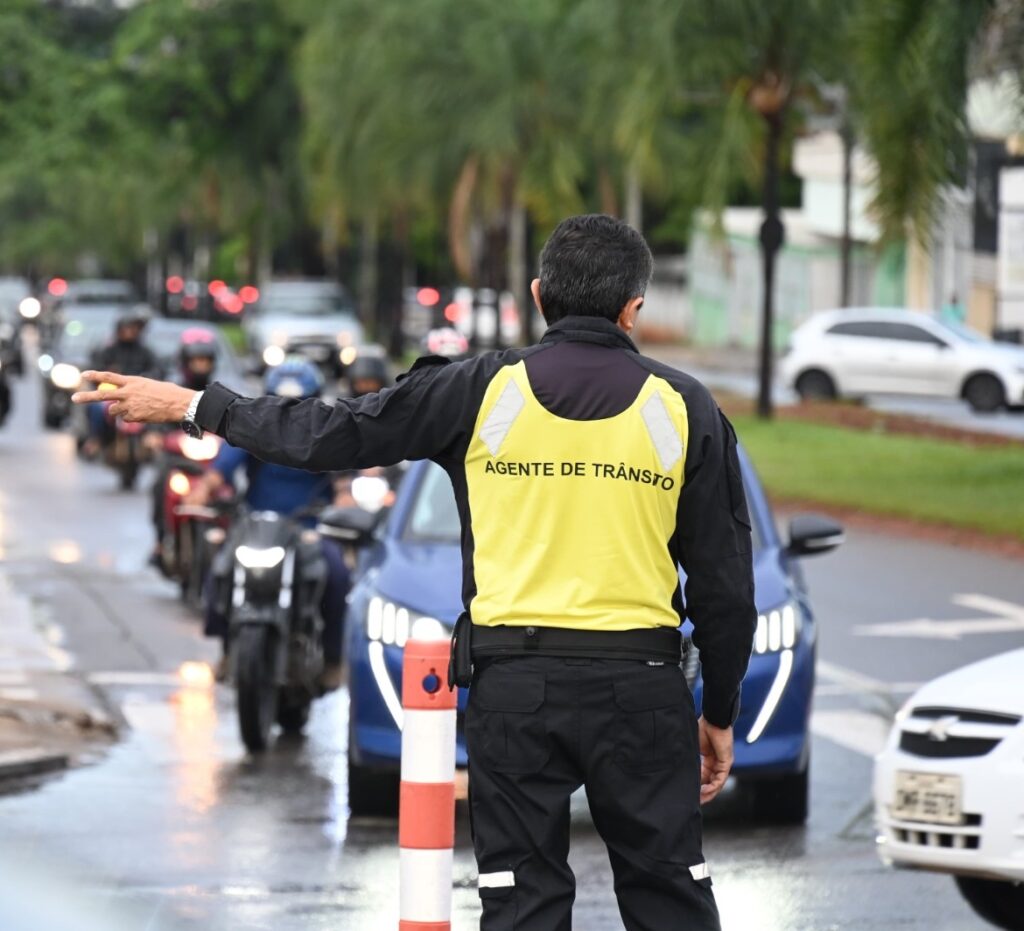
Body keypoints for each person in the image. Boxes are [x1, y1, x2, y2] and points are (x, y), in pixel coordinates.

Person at [73, 214, 756, 931]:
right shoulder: (685, 408)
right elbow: (726, 589)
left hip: (516, 695)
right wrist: (718, 713)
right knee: (669, 901)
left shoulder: (479, 389)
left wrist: (192, 404)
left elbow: (332, 433)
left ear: (538, 295)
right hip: (641, 694)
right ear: (633, 308)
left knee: (522, 906)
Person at [185, 357, 351, 688]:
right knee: (220, 569)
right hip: (256, 527)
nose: (290, 413)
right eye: (282, 404)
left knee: (338, 575)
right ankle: (228, 647)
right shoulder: (253, 431)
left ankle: (333, 660)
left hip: (309, 532)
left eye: (299, 405)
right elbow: (219, 472)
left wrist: (346, 504)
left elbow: (344, 487)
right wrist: (201, 492)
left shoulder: (330, 435)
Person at [82, 308, 161, 458]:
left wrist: (149, 377)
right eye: (128, 327)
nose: (131, 331)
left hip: (139, 394)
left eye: (135, 328)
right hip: (113, 394)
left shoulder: (146, 352)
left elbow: (156, 370)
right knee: (95, 407)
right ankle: (95, 439)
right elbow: (96, 371)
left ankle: (152, 438)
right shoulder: (108, 350)